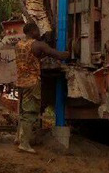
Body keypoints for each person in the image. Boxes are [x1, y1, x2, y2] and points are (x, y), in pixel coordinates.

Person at [15, 21, 69, 153]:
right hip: (32, 82)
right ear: (33, 31)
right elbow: (57, 55)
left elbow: (30, 57)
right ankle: (24, 144)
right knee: (30, 112)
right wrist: (69, 53)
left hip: (20, 82)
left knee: (23, 112)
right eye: (38, 31)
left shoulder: (18, 44)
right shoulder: (38, 45)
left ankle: (19, 138)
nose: (40, 33)